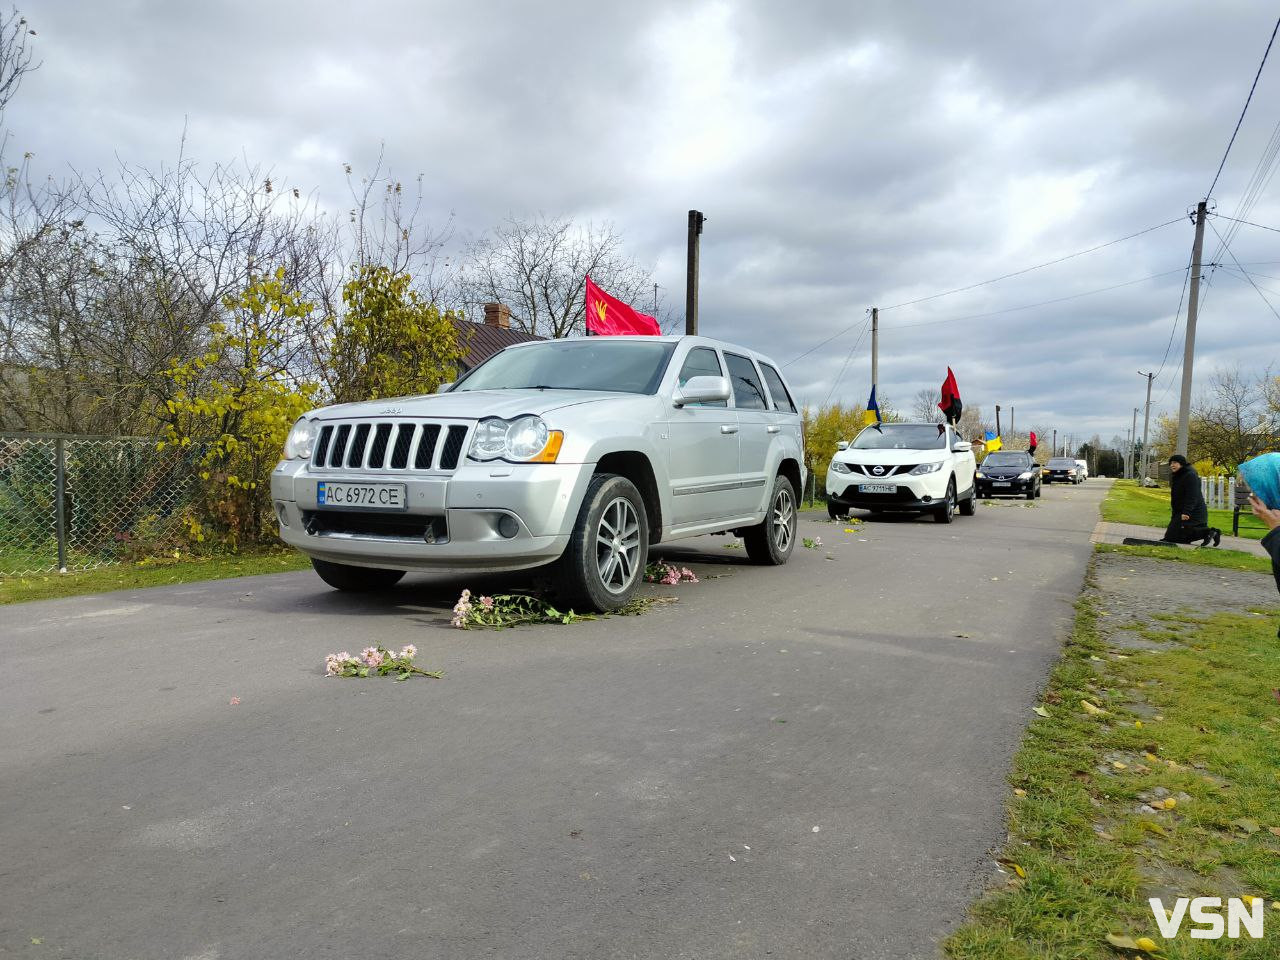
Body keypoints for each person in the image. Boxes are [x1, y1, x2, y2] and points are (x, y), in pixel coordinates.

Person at [1162, 455, 1221, 547]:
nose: (1172, 465)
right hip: (1181, 510)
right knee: (1172, 537)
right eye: (1171, 463)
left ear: (1181, 464)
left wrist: (1187, 512)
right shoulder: (1177, 475)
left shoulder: (1190, 475)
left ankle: (1210, 532)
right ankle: (1209, 533)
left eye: (1175, 463)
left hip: (1194, 510)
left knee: (1182, 535)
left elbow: (1192, 496)